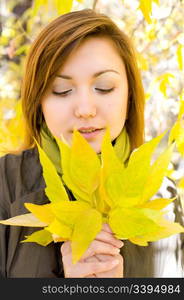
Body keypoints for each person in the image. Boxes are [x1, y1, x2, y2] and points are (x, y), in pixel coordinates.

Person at [0, 9, 183, 278]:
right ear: (38, 101)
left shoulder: (162, 198)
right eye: (61, 90)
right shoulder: (6, 184)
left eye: (105, 87)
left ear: (129, 94)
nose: (85, 109)